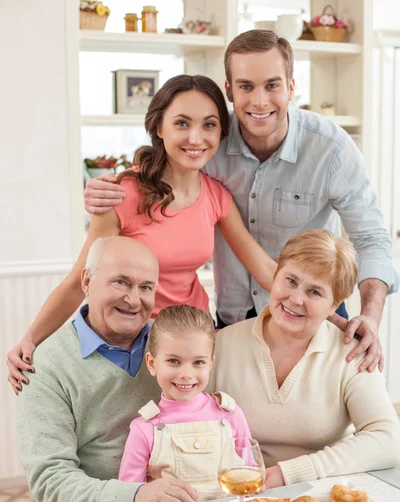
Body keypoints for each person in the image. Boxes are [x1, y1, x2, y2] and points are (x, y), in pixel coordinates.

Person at [82, 30, 399, 374]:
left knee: (325, 419)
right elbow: (164, 164)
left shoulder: (332, 150)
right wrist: (110, 186)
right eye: (246, 86)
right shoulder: (209, 138)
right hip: (232, 319)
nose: (260, 101)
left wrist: (370, 314)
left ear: (292, 87)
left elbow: (371, 240)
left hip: (312, 315)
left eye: (273, 85)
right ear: (230, 90)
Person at [7, 73, 277, 395]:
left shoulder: (216, 196)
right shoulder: (122, 194)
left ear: (221, 132)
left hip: (192, 343)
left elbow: (262, 266)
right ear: (159, 128)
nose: (196, 137)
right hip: (135, 342)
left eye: (209, 125)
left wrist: (331, 314)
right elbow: (79, 281)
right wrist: (30, 338)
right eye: (181, 123)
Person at [17, 236, 202, 502]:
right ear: (87, 282)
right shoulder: (46, 365)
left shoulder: (174, 351)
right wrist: (135, 498)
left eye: (145, 287)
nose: (133, 299)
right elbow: (50, 481)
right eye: (121, 282)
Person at [209, 230, 400, 489]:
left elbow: (388, 439)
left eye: (315, 292)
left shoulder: (352, 354)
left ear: (335, 305)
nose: (296, 299)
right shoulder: (220, 345)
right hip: (234, 494)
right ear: (275, 277)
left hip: (322, 499)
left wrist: (291, 473)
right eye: (290, 280)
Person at [119, 304, 252, 502]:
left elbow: (250, 476)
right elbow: (131, 497)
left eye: (198, 362)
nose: (186, 375)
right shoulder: (145, 428)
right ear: (152, 364)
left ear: (210, 364)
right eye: (173, 361)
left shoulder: (229, 414)